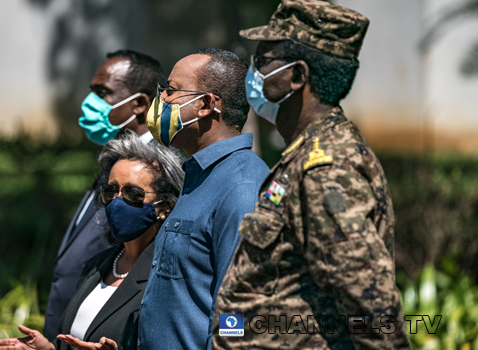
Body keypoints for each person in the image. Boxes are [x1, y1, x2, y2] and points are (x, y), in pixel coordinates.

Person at [212, 1, 412, 349]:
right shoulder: (305, 154)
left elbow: (369, 300)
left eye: (262, 61)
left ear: (298, 76)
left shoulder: (327, 167)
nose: (252, 71)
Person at [0, 131, 185, 350]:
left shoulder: (171, 275)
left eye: (133, 193)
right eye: (111, 191)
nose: (116, 202)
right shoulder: (97, 265)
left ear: (164, 207)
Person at [137, 48, 270, 350]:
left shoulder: (242, 188)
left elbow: (240, 317)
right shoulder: (199, 174)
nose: (162, 101)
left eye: (171, 91)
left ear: (206, 104)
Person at [45, 50, 166, 340]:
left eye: (103, 93)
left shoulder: (160, 168)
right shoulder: (114, 161)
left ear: (138, 104)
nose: (91, 103)